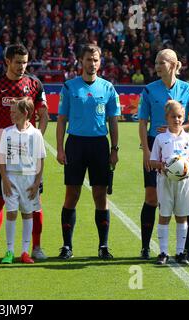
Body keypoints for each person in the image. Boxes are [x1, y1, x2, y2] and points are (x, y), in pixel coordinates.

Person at [0, 43, 49, 261]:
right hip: (5, 154)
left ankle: (35, 247)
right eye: (18, 62)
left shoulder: (34, 84)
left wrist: (36, 138)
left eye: (25, 62)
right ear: (7, 61)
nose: (22, 66)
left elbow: (44, 113)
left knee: (34, 200)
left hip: (28, 158)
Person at [56, 44, 120, 260]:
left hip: (99, 145)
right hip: (75, 144)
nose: (92, 64)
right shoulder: (69, 87)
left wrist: (114, 149)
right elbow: (62, 119)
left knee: (100, 195)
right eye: (88, 60)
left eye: (95, 60)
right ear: (80, 61)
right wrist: (59, 148)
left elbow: (113, 120)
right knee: (72, 194)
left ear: (99, 62)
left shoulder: (108, 88)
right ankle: (67, 246)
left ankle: (103, 246)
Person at [138, 48, 189, 261]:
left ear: (174, 65)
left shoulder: (188, 89)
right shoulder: (148, 90)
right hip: (154, 145)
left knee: (184, 198)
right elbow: (142, 122)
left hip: (181, 150)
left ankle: (187, 248)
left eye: (161, 62)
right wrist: (146, 151)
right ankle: (146, 247)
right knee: (152, 197)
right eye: (156, 62)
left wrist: (177, 128)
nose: (157, 66)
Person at [149, 100, 189, 265]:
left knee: (182, 216)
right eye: (173, 116)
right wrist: (163, 166)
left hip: (184, 182)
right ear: (166, 117)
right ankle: (163, 252)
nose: (176, 120)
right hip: (165, 181)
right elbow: (153, 161)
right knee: (164, 216)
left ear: (184, 117)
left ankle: (180, 252)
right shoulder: (160, 138)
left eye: (179, 116)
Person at [0, 98, 46, 264]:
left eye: (14, 112)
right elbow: (1, 159)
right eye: (10, 111)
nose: (10, 114)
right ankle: (9, 251)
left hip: (29, 178)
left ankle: (25, 252)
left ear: (25, 113)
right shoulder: (7, 133)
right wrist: (4, 179)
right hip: (11, 178)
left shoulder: (36, 134)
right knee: (11, 213)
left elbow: (40, 160)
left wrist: (36, 183)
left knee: (27, 213)